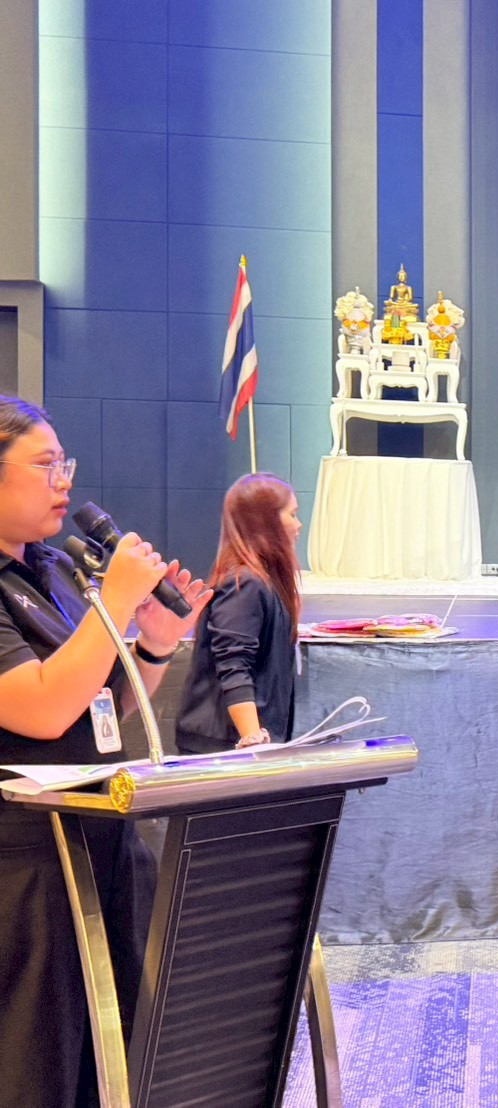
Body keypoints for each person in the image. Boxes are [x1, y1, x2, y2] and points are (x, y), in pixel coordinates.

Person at [0, 395, 210, 1107]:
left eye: (66, 464)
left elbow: (102, 707)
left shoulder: (56, 570)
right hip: (29, 869)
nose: (64, 480)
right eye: (45, 465)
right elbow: (42, 706)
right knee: (38, 1067)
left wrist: (153, 645)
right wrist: (115, 602)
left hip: (107, 844)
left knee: (119, 1058)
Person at [175, 474, 302, 753]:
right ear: (266, 521)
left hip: (245, 743)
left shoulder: (263, 582)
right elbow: (234, 665)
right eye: (292, 515)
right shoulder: (245, 585)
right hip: (224, 747)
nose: (299, 525)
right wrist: (252, 740)